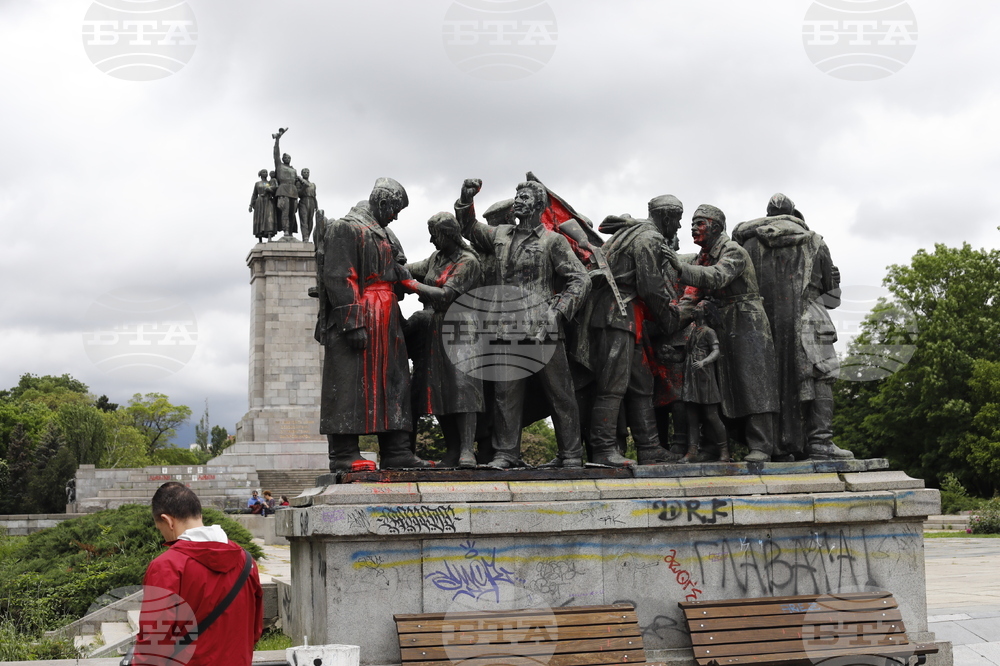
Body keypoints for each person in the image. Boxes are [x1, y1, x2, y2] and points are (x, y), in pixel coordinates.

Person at [458, 179, 591, 468]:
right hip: (506, 327)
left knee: (560, 393)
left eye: (525, 197)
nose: (518, 200)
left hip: (543, 327)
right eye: (517, 196)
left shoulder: (553, 241)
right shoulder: (501, 235)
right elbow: (468, 228)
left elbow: (580, 279)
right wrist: (466, 200)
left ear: (539, 205)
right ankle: (506, 454)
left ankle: (570, 454)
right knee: (506, 394)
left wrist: (557, 313)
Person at [315, 177, 430, 471]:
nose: (395, 217)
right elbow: (339, 277)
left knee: (394, 382)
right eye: (395, 210)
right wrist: (352, 323)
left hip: (387, 318)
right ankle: (343, 453)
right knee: (349, 384)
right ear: (383, 202)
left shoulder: (386, 233)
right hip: (362, 314)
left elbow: (398, 268)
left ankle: (397, 450)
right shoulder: (346, 227)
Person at [731, 193, 853, 461]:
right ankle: (820, 441)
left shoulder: (747, 243)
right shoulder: (815, 241)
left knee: (766, 380)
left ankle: (769, 445)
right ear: (795, 214)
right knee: (821, 375)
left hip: (763, 323)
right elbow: (832, 299)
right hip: (810, 319)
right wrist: (835, 282)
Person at [665, 204, 779, 462]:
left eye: (699, 223)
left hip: (747, 322)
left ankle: (761, 445)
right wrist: (669, 321)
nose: (693, 228)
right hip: (721, 324)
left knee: (753, 383)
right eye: (692, 224)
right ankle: (713, 446)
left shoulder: (733, 251)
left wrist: (680, 268)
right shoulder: (702, 258)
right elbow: (691, 297)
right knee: (718, 388)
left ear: (716, 227)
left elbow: (717, 277)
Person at [587, 200, 683, 467]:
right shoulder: (649, 237)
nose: (679, 225)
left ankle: (649, 447)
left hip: (627, 316)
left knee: (642, 384)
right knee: (613, 385)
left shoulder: (635, 231)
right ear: (667, 218)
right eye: (677, 219)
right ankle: (603, 449)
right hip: (616, 314)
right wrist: (671, 318)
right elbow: (651, 287)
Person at [133, 482, 262, 665]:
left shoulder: (167, 566)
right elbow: (255, 630)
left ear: (168, 521)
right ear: (198, 514)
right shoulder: (247, 561)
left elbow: (154, 645)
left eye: (159, 528)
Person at [401, 212, 484, 468]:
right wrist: (391, 264)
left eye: (434, 235)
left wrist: (410, 285)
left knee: (463, 388)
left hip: (462, 328)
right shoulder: (436, 258)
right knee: (438, 390)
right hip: (438, 329)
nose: (431, 240)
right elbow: (408, 269)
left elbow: (446, 295)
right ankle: (453, 448)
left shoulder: (468, 261)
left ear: (448, 234)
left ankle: (468, 449)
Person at [681, 301, 729, 463]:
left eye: (699, 307)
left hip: (705, 378)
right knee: (691, 416)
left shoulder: (709, 332)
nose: (695, 309)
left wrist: (704, 362)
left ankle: (724, 451)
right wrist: (670, 355)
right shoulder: (693, 331)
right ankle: (692, 451)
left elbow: (716, 351)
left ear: (706, 312)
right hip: (691, 378)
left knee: (711, 415)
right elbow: (684, 355)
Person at [272, 128, 299, 239]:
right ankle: (286, 231)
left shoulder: (294, 170)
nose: (287, 158)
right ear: (283, 159)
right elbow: (276, 154)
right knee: (285, 212)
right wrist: (277, 140)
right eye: (285, 157)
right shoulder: (279, 165)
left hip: (293, 191)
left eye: (289, 157)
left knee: (292, 213)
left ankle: (291, 231)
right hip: (283, 190)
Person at [249, 169, 277, 242]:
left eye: (266, 172)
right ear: (260, 174)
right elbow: (254, 194)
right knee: (260, 218)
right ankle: (260, 238)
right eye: (264, 172)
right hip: (260, 202)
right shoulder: (257, 183)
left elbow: (274, 191)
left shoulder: (269, 182)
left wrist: (269, 190)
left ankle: (269, 236)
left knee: (269, 217)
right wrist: (251, 205)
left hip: (268, 201)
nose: (265, 173)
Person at [297, 168, 318, 243]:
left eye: (307, 172)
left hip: (312, 202)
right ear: (302, 174)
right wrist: (304, 186)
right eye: (304, 172)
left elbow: (314, 196)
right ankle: (305, 237)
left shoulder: (313, 185)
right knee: (304, 220)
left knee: (310, 221)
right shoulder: (299, 182)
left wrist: (316, 205)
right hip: (303, 201)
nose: (306, 173)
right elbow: (298, 194)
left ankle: (308, 236)